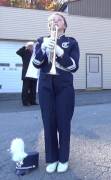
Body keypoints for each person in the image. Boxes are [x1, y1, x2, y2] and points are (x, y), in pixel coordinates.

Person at [32, 12, 79, 173]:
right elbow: (36, 63)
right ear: (49, 25)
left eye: (59, 19)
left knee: (63, 123)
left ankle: (63, 158)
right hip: (45, 87)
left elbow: (73, 67)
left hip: (64, 87)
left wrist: (60, 52)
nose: (55, 21)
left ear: (64, 24)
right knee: (48, 123)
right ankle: (51, 159)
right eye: (52, 20)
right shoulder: (40, 41)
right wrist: (43, 48)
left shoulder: (71, 42)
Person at [16, 42, 38, 106]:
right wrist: (25, 46)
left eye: (32, 46)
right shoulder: (24, 52)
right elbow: (18, 52)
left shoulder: (35, 53)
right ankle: (25, 102)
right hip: (26, 74)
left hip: (34, 73)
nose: (31, 47)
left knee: (33, 89)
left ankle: (33, 101)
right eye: (30, 46)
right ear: (28, 47)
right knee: (25, 89)